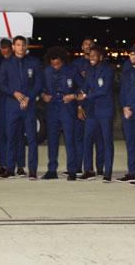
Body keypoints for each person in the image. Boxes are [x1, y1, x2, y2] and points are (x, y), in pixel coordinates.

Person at [0, 36, 43, 179]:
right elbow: (1, 84)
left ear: (26, 46)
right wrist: (14, 93)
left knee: (31, 139)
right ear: (13, 47)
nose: (21, 48)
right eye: (18, 45)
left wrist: (29, 97)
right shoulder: (6, 63)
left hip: (28, 106)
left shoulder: (34, 62)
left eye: (23, 45)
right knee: (10, 137)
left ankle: (33, 170)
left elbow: (38, 84)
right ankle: (10, 169)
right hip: (12, 106)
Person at [41, 46, 81, 180]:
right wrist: (43, 95)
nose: (55, 66)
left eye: (58, 64)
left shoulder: (72, 70)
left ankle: (72, 170)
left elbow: (82, 87)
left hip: (67, 109)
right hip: (52, 109)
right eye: (53, 64)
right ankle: (52, 170)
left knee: (70, 140)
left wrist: (73, 95)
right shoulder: (46, 71)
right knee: (52, 141)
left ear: (63, 61)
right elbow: (40, 87)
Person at [77, 45, 115, 182]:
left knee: (106, 141)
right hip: (92, 111)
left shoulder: (108, 70)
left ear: (100, 57)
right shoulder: (89, 70)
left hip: (105, 111)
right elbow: (84, 87)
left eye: (94, 55)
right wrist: (80, 103)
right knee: (87, 139)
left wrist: (86, 95)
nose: (91, 57)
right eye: (90, 55)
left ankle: (108, 172)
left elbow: (103, 90)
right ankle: (88, 170)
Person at [0, 38, 25, 177]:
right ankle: (4, 164)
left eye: (7, 47)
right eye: (2, 47)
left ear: (11, 48)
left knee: (18, 135)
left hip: (14, 101)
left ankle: (20, 165)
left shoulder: (17, 62)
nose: (5, 49)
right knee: (3, 135)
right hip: (1, 102)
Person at [73, 37, 103, 175]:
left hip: (94, 104)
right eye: (85, 44)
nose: (88, 46)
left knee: (98, 138)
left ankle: (99, 167)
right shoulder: (76, 64)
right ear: (81, 46)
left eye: (90, 44)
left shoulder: (99, 65)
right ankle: (80, 166)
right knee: (80, 137)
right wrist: (79, 105)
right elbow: (77, 85)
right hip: (81, 102)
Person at [118, 47, 135, 182]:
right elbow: (122, 93)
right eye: (131, 54)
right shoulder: (127, 73)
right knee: (130, 142)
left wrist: (132, 107)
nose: (133, 57)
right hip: (127, 113)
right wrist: (124, 107)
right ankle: (133, 171)